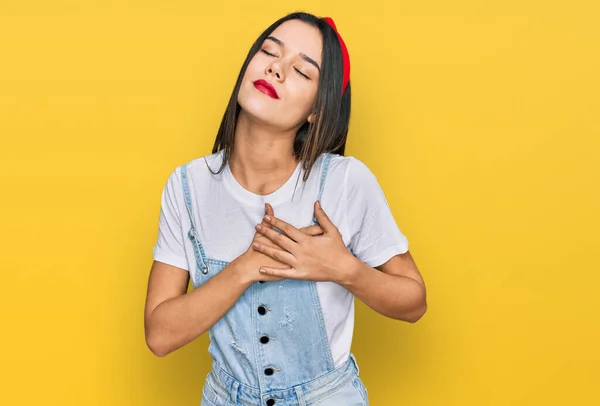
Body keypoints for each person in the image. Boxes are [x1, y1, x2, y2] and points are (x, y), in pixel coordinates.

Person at [144, 11, 427, 406]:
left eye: (302, 71)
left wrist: (343, 268)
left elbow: (414, 301)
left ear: (317, 110)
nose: (276, 69)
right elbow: (159, 334)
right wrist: (246, 267)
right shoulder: (189, 186)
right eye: (269, 52)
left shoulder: (345, 182)